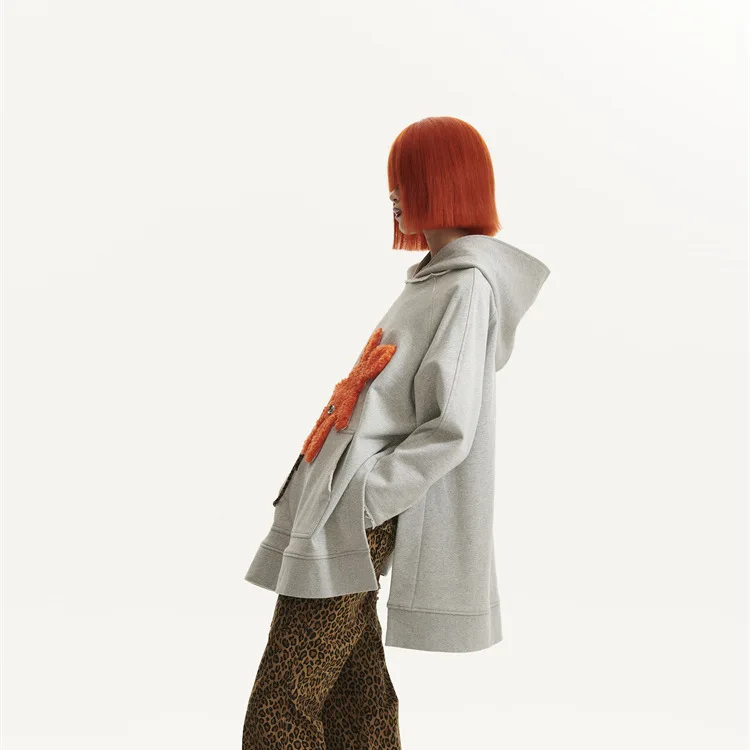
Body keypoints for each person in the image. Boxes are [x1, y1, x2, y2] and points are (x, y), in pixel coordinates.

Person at [242, 116, 551, 749]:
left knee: (284, 699)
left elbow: (452, 425)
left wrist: (366, 496)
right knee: (354, 695)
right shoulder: (434, 278)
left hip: (357, 509)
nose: (393, 195)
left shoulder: (467, 285)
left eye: (406, 179)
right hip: (338, 502)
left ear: (445, 183)